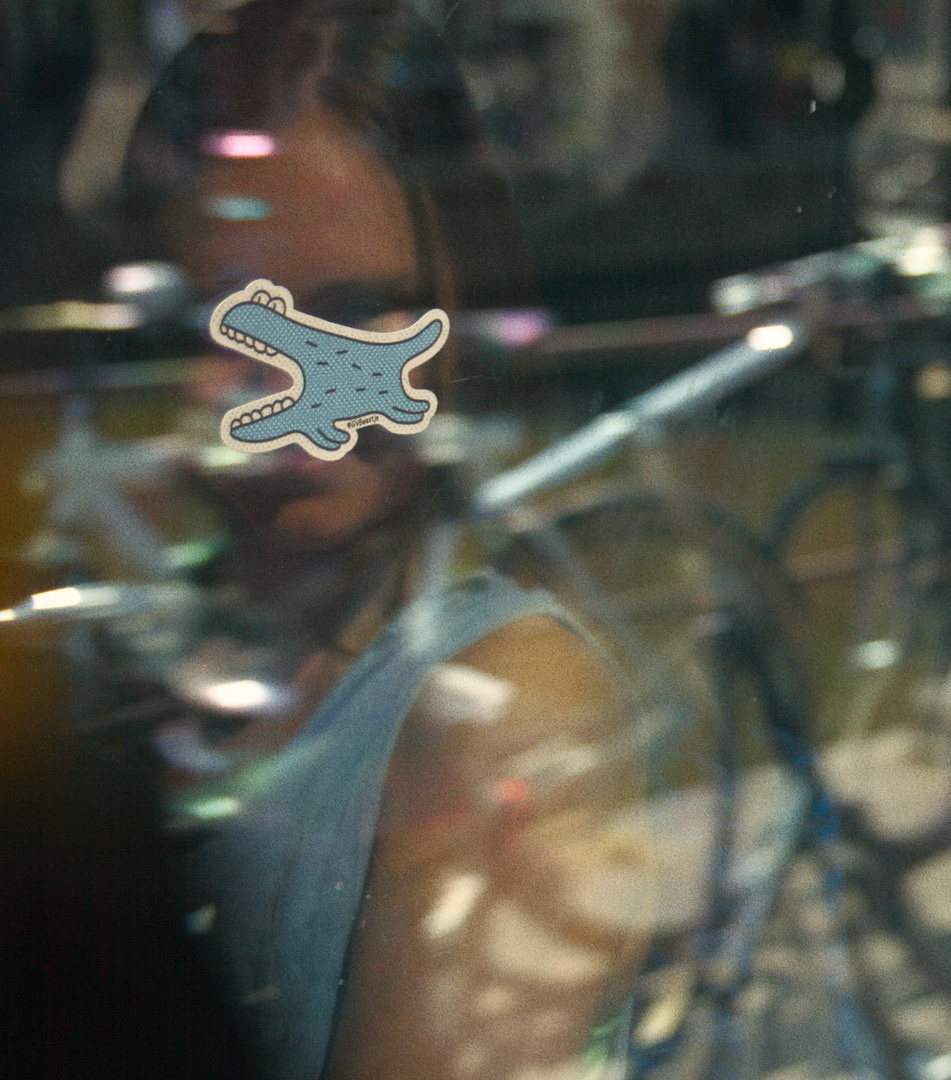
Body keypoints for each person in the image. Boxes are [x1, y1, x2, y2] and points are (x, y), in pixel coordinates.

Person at [112, 3, 655, 1078]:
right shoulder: (142, 643)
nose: (297, 388)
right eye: (233, 317)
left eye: (358, 314)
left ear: (458, 303)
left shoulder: (497, 711)